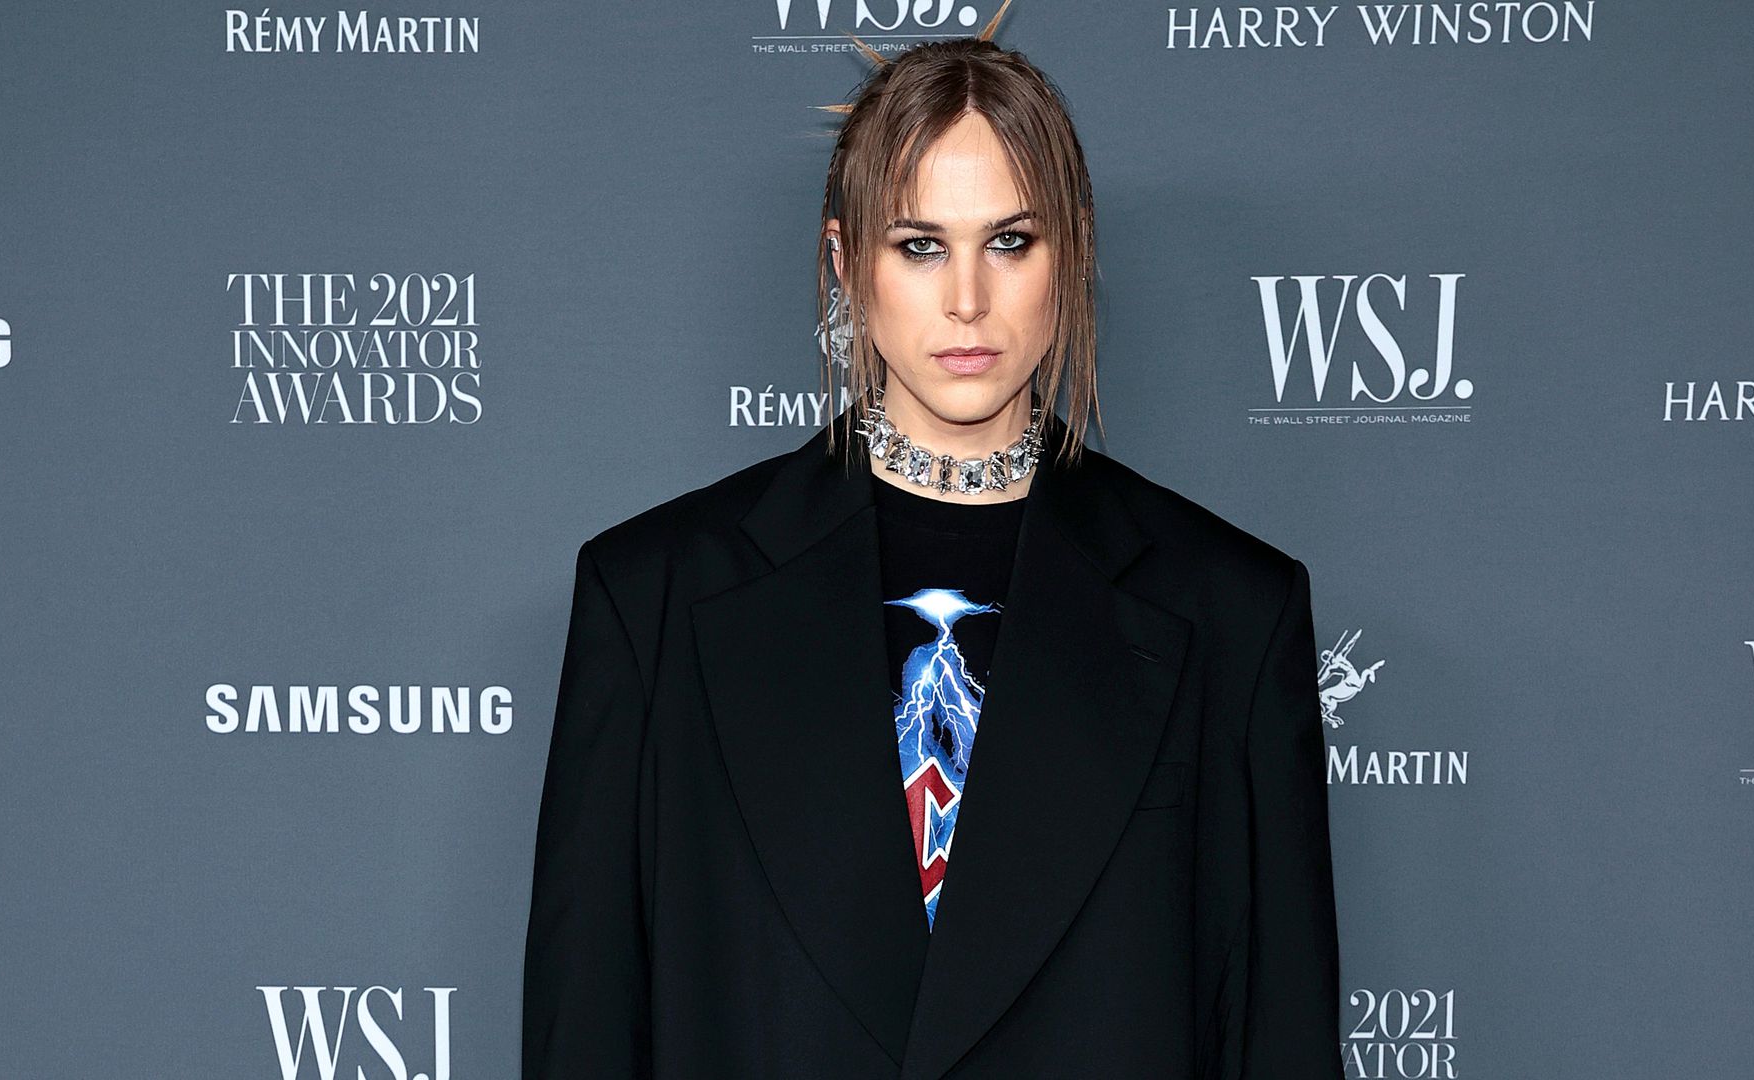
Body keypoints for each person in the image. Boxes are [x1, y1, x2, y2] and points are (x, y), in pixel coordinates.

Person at [522, 6, 1342, 1077]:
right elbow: (586, 1032)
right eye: (920, 246)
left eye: (1010, 241)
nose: (967, 300)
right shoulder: (653, 600)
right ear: (845, 262)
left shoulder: (1231, 611)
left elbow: (1276, 1035)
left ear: (1071, 253)